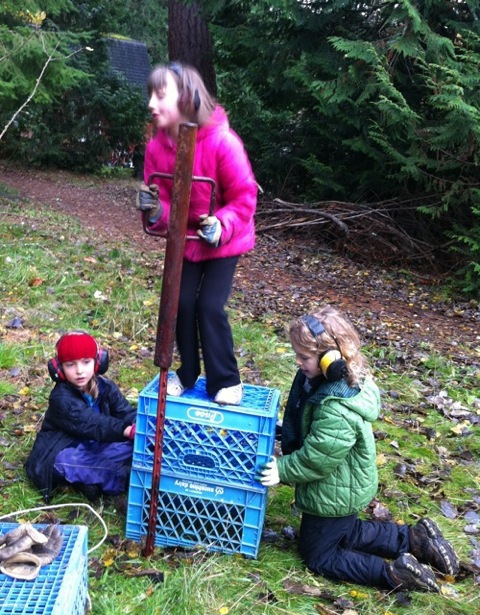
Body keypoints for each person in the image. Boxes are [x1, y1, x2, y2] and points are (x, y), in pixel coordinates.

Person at [257, 305, 459, 592]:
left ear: (331, 358)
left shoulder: (336, 407)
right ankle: (413, 539)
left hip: (334, 489)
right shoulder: (329, 382)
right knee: (344, 533)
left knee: (319, 555)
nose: (298, 362)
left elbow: (318, 458)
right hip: (341, 485)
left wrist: (282, 469)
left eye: (304, 357)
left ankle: (395, 574)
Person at [136, 62, 257, 406]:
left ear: (187, 98)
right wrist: (154, 209)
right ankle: (188, 372)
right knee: (180, 302)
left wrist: (221, 224)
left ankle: (226, 380)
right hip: (185, 242)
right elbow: (160, 203)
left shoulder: (222, 142)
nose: (151, 104)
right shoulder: (156, 148)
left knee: (210, 305)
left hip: (223, 239)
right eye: (151, 95)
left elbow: (244, 197)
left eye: (161, 96)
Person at [25, 331, 136, 503]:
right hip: (63, 451)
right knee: (66, 461)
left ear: (97, 362)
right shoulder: (61, 398)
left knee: (133, 445)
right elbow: (93, 423)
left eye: (86, 362)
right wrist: (126, 430)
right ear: (59, 369)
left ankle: (90, 480)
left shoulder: (106, 387)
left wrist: (139, 427)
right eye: (70, 365)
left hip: (95, 446)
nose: (79, 371)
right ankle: (125, 477)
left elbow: (125, 413)